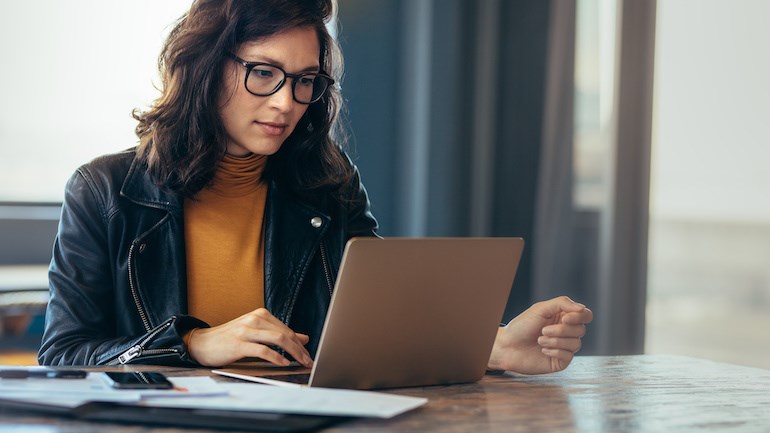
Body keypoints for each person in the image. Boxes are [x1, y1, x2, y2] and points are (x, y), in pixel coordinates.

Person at [38, 0, 592, 374]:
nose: (286, 102)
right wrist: (190, 345)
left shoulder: (327, 181)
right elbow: (63, 355)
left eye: (305, 80)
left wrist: (491, 346)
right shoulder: (105, 191)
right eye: (263, 72)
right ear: (204, 67)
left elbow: (374, 326)